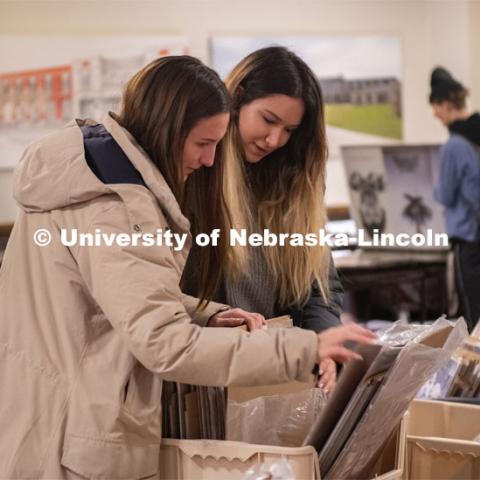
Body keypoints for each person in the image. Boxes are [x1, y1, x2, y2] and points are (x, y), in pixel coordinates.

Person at [0, 55, 375, 478]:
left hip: (47, 414)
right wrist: (304, 348)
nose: (211, 160)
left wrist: (207, 312)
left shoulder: (90, 181)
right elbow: (164, 341)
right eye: (203, 144)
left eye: (288, 131)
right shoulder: (116, 207)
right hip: (73, 434)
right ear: (169, 127)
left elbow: (116, 295)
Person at [183, 47, 344, 393]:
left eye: (289, 130)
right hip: (198, 379)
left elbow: (320, 289)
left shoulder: (292, 185)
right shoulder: (192, 175)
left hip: (271, 376)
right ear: (237, 98)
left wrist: (323, 343)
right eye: (268, 120)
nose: (275, 140)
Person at [430, 66, 480, 332]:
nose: (435, 114)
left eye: (436, 107)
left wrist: (434, 190)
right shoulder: (477, 132)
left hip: (469, 239)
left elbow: (446, 194)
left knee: (472, 315)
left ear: (446, 104)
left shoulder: (454, 145)